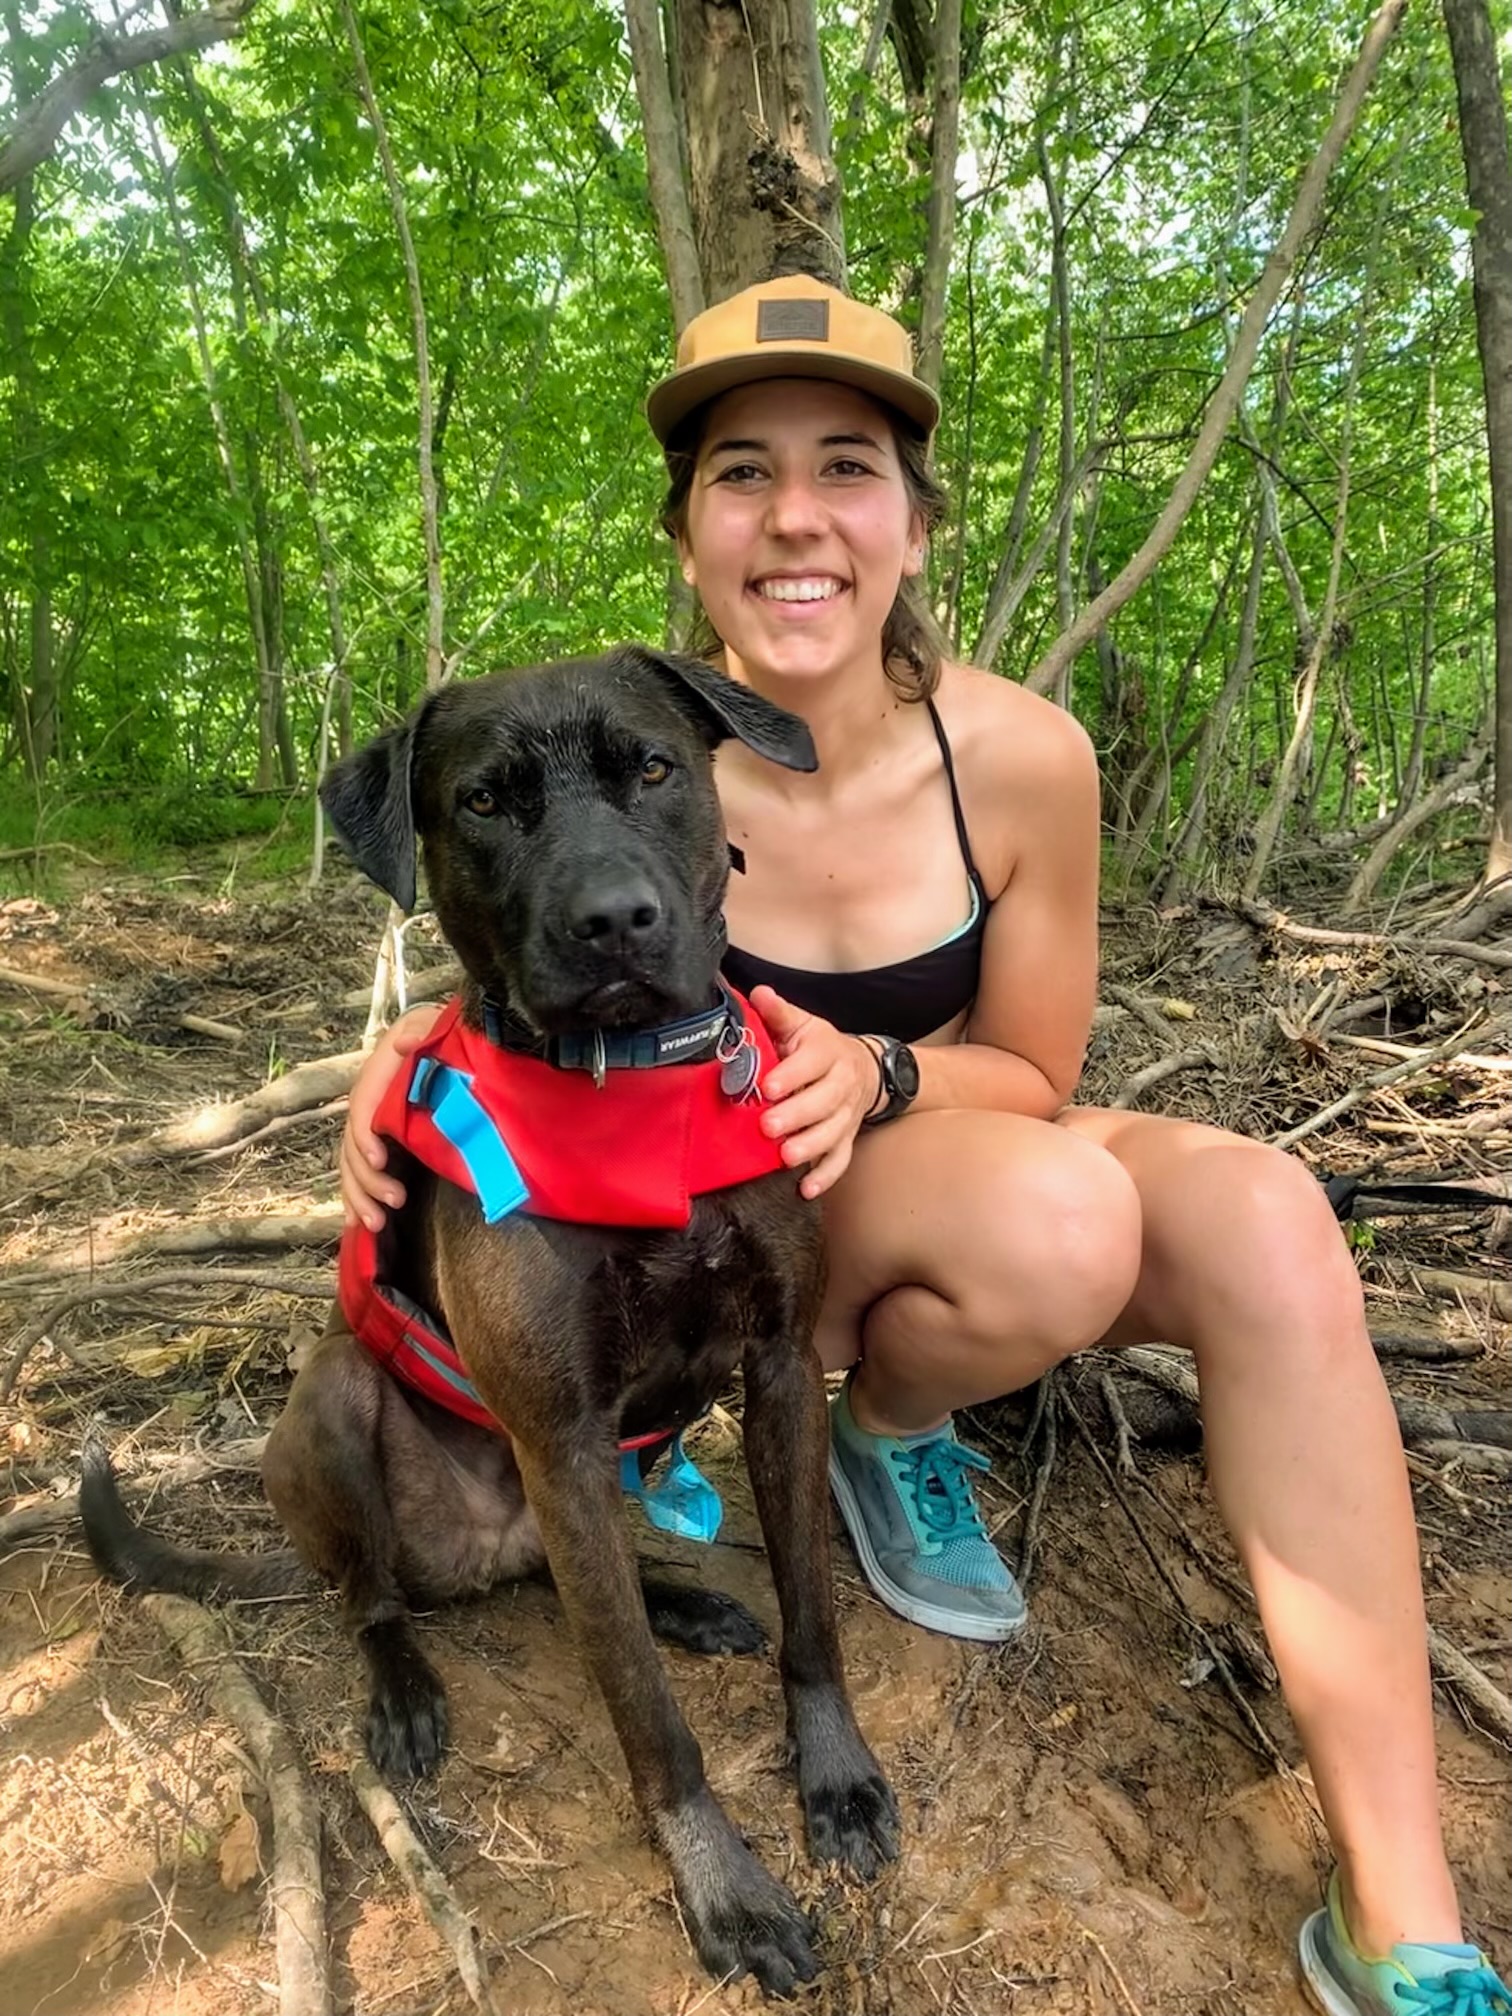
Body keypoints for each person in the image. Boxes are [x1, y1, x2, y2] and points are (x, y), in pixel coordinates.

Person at [336, 274, 1509, 2016]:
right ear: (687, 531)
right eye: (742, 472)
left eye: (850, 467)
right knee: (1052, 1226)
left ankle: (1403, 1917)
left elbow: (1034, 1063)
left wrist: (879, 1070)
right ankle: (824, 1424)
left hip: (920, 1128)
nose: (796, 514)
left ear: (912, 518)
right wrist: (402, 1059)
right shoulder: (635, 720)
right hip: (717, 1202)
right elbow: (504, 909)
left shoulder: (1020, 753)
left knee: (1270, 1217)